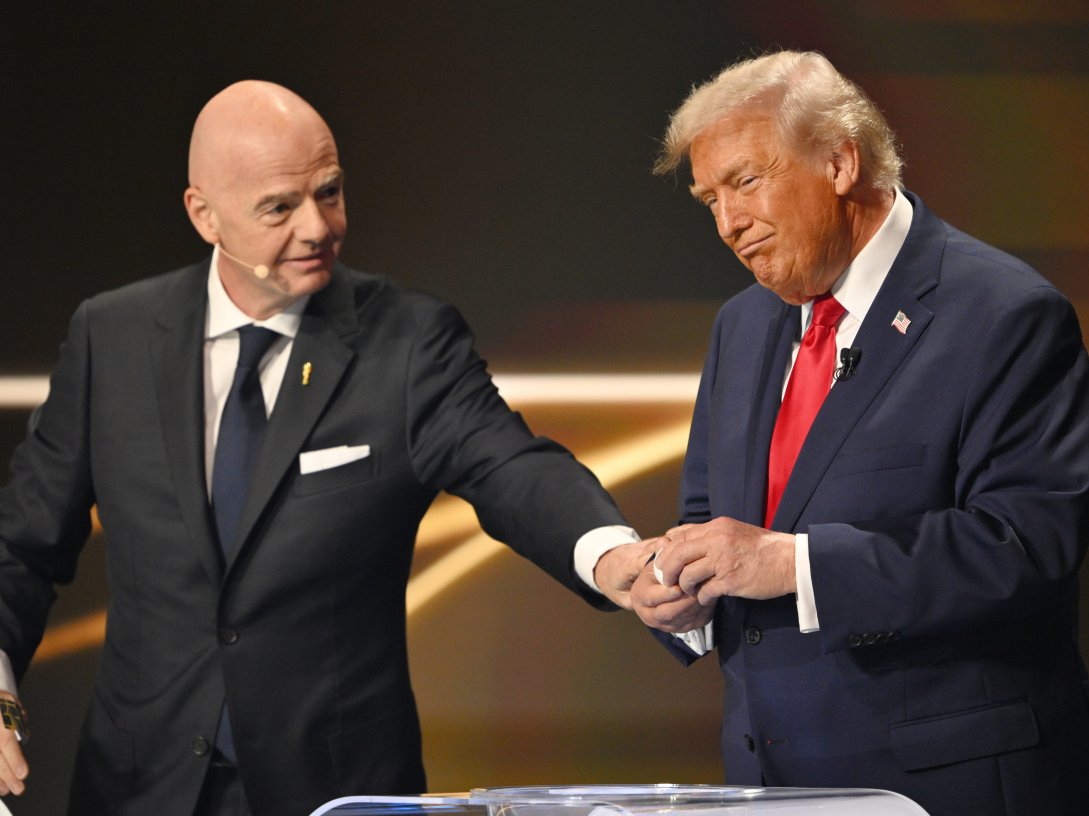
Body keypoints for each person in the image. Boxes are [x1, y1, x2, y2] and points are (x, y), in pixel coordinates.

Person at [0, 80, 650, 816]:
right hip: (136, 789)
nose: (317, 228)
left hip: (334, 792)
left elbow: (509, 463)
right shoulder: (110, 337)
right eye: (279, 207)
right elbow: (20, 547)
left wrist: (610, 554)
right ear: (203, 214)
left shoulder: (408, 341)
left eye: (330, 192)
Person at [630, 50, 1089, 816]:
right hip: (766, 784)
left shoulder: (1002, 314)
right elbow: (711, 518)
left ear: (841, 162)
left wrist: (796, 565)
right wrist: (682, 593)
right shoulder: (741, 326)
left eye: (744, 182)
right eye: (707, 199)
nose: (727, 223)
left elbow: (1028, 544)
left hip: (946, 786)